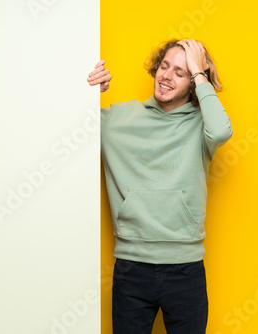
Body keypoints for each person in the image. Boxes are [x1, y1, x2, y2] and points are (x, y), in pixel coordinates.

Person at [87, 39, 233, 334]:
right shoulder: (118, 118)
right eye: (164, 66)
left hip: (186, 268)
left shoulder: (202, 124)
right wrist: (87, 94)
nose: (166, 76)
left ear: (194, 82)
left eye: (180, 72)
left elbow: (221, 130)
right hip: (131, 267)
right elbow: (64, 127)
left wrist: (199, 71)